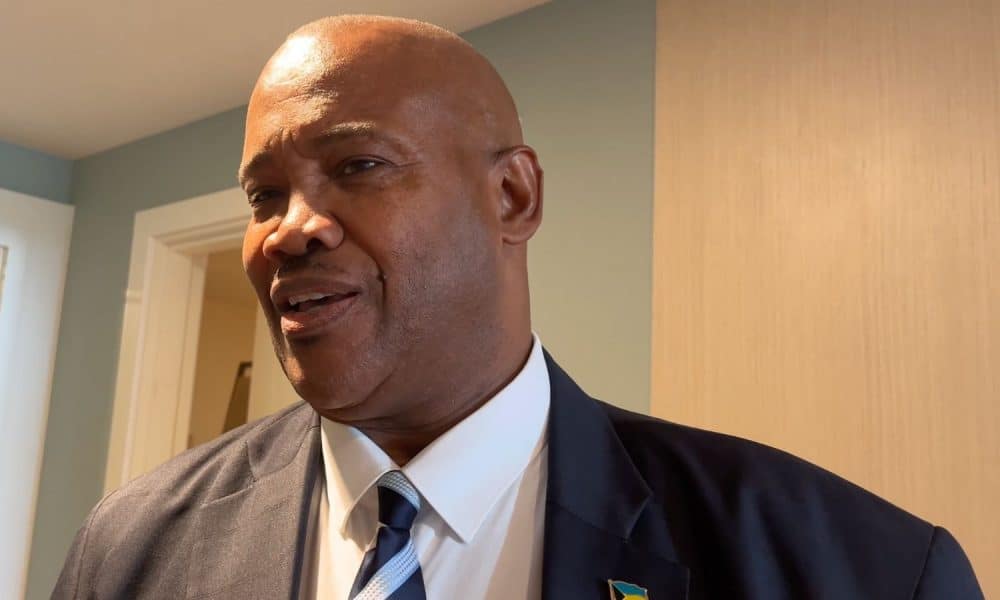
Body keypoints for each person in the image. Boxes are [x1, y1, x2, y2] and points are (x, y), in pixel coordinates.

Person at [53, 15, 983, 600]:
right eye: (264, 196)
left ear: (513, 198)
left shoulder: (862, 568)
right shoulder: (131, 550)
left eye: (358, 165)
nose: (288, 231)